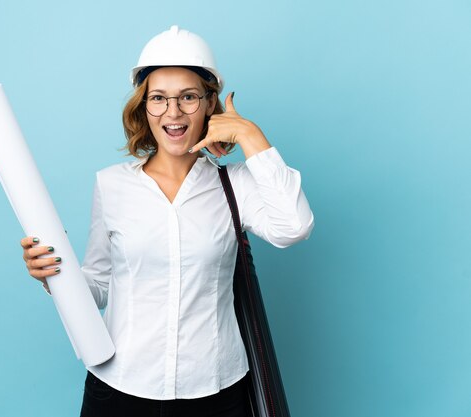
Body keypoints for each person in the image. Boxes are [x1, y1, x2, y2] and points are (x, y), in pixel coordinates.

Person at [20, 25, 314, 417]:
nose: (172, 113)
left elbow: (294, 227)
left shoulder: (236, 185)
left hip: (216, 391)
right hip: (120, 389)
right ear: (144, 105)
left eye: (188, 97)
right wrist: (53, 277)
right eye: (158, 98)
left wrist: (250, 135)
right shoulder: (111, 185)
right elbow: (100, 286)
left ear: (210, 104)